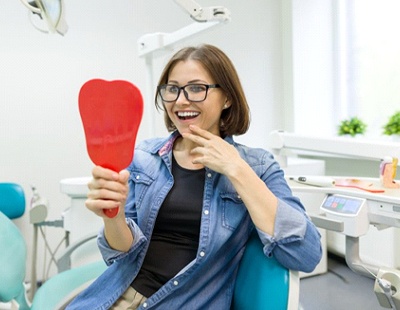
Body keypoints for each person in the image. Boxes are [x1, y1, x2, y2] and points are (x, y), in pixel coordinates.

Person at [67, 44, 322, 309]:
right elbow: (121, 254)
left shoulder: (257, 166)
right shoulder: (144, 157)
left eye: (197, 88)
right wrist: (114, 216)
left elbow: (306, 253)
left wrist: (236, 169)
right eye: (172, 89)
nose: (180, 100)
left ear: (227, 98)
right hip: (115, 296)